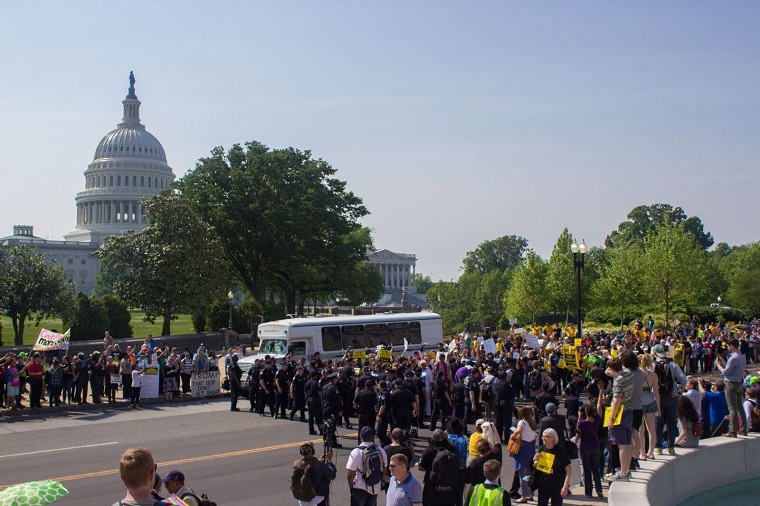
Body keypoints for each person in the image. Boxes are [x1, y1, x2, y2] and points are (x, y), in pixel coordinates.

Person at [346, 426, 388, 506]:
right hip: (375, 487)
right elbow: (385, 468)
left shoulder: (356, 452)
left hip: (360, 488)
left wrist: (351, 487)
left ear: (360, 437)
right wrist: (377, 479)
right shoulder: (380, 450)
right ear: (372, 437)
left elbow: (350, 473)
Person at [716, 338, 749, 437]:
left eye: (728, 346)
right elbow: (732, 369)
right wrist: (723, 363)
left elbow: (726, 372)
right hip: (739, 383)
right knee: (740, 407)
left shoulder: (733, 358)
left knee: (732, 408)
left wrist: (718, 365)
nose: (728, 348)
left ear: (732, 346)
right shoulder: (742, 357)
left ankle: (733, 430)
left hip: (731, 384)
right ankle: (743, 429)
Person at [418, 429, 459, 506]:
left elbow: (421, 467)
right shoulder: (452, 450)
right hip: (449, 485)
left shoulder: (428, 450)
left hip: (432, 484)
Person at [532, 428, 572, 506]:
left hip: (557, 486)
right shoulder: (541, 449)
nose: (543, 438)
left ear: (553, 438)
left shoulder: (561, 451)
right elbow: (537, 466)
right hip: (544, 484)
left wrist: (565, 486)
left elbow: (569, 470)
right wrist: (535, 460)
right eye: (543, 436)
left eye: (546, 437)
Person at [293, 441, 336, 506]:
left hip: (303, 496)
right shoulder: (319, 465)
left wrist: (317, 460)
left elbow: (308, 466)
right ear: (313, 452)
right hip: (317, 497)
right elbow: (332, 475)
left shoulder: (296, 464)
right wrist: (329, 461)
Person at [576, 405, 604, 499]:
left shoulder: (581, 423)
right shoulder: (597, 421)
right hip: (595, 446)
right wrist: (600, 392)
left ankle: (588, 492)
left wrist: (579, 416)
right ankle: (599, 490)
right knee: (596, 469)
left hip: (585, 447)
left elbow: (577, 433)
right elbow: (600, 409)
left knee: (587, 470)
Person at [512, 406, 537, 504]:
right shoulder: (532, 423)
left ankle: (524, 496)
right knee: (529, 473)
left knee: (522, 474)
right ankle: (530, 493)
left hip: (522, 450)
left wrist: (513, 436)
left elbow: (518, 431)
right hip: (531, 450)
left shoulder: (521, 422)